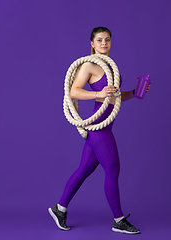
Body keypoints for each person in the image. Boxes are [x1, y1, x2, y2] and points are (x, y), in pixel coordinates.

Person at [48, 26, 150, 234]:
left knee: (84, 170)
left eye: (108, 40)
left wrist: (135, 92)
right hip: (98, 128)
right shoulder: (89, 65)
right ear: (92, 44)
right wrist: (97, 94)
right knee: (112, 170)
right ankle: (118, 220)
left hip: (107, 122)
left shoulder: (111, 67)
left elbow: (114, 96)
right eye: (100, 40)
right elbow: (74, 91)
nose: (104, 43)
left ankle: (59, 209)